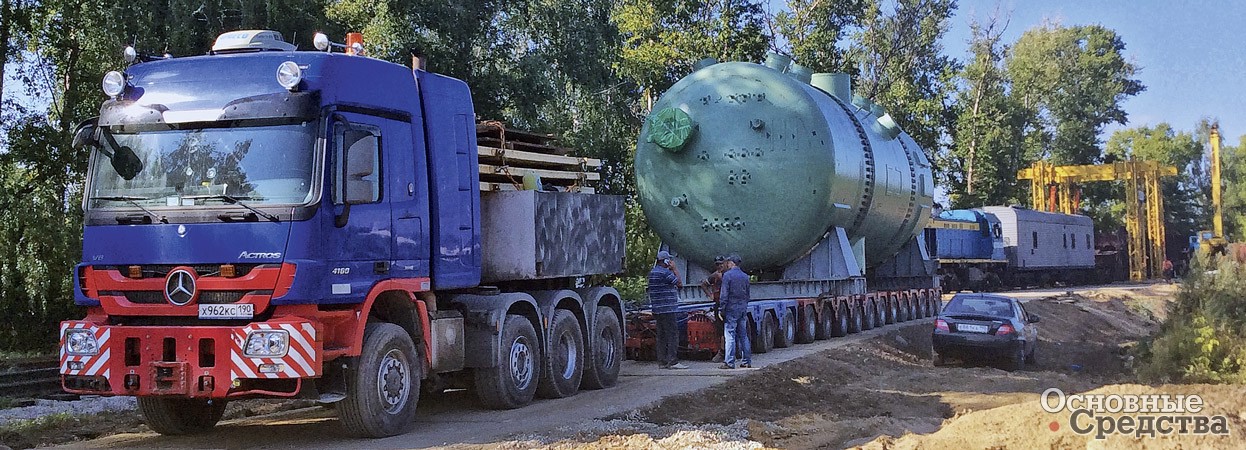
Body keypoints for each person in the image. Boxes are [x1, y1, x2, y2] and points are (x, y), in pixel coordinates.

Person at [648, 250, 688, 369]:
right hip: (668, 309)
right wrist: (674, 269)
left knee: (661, 335)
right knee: (672, 335)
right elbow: (679, 283)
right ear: (665, 261)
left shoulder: (653, 272)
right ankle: (673, 361)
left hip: (657, 309)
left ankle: (662, 361)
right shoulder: (665, 273)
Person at [719, 254, 752, 369]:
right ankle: (747, 361)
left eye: (728, 262)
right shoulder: (745, 276)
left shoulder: (727, 276)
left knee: (730, 335)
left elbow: (724, 294)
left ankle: (729, 362)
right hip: (742, 308)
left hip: (731, 309)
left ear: (731, 263)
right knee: (743, 335)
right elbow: (748, 294)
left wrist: (721, 309)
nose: (727, 264)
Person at [700, 256, 727, 362]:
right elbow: (704, 285)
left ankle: (731, 352)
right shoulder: (715, 276)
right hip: (719, 305)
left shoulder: (728, 275)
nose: (719, 266)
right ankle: (722, 352)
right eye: (717, 264)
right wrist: (710, 295)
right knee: (721, 330)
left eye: (721, 263)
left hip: (728, 304)